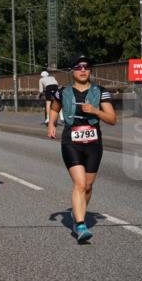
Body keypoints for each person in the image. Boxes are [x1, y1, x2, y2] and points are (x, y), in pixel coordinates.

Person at [47, 55, 116, 244]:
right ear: (72, 71)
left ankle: (79, 215)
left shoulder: (101, 92)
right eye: (78, 67)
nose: (83, 70)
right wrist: (52, 124)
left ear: (90, 70)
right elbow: (54, 108)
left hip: (94, 142)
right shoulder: (62, 92)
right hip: (71, 140)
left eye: (86, 66)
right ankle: (80, 224)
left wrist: (95, 111)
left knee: (88, 185)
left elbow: (112, 119)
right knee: (79, 184)